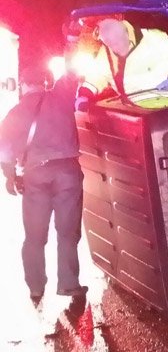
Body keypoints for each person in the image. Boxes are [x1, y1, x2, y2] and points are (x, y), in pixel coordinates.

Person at [0, 65, 86, 303]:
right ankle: (69, 284)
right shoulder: (61, 95)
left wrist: (10, 176)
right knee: (68, 232)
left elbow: (4, 150)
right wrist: (73, 39)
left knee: (35, 236)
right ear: (45, 82)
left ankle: (36, 286)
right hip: (67, 173)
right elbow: (72, 71)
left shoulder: (16, 111)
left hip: (35, 175)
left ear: (23, 84)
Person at [76, 18, 168, 107]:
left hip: (165, 101)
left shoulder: (151, 38)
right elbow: (97, 76)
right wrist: (84, 95)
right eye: (111, 45)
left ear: (126, 33)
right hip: (133, 108)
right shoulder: (106, 53)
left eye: (118, 42)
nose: (116, 48)